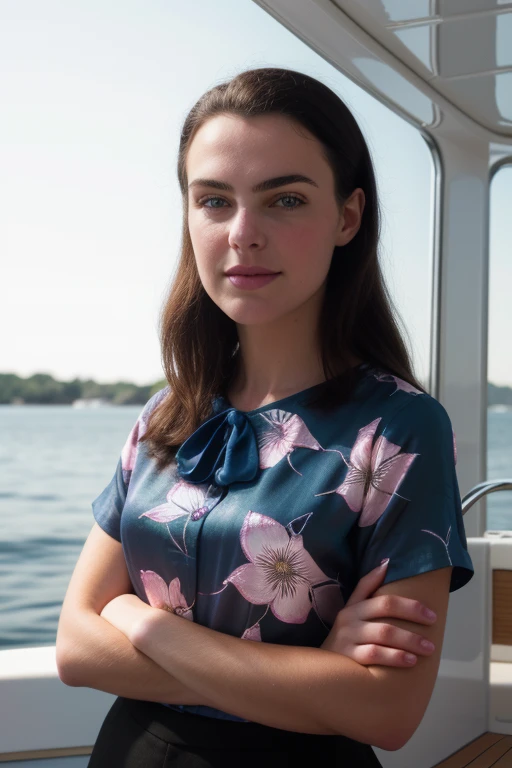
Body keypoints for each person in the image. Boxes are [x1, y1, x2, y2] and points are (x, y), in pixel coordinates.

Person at [56, 67, 474, 767]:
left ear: (347, 216)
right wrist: (308, 678)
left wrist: (139, 624)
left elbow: (387, 709)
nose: (243, 234)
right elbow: (75, 647)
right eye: (215, 201)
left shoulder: (399, 431)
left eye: (284, 199)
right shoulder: (167, 414)